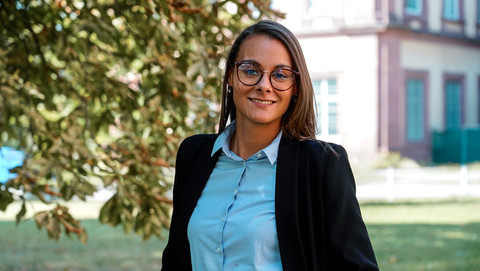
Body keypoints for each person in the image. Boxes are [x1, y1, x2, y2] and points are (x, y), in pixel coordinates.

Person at [161, 20, 378, 271]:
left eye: (280, 75)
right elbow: (175, 260)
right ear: (231, 75)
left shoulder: (322, 164)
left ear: (295, 87)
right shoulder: (194, 154)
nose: (265, 85)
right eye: (251, 70)